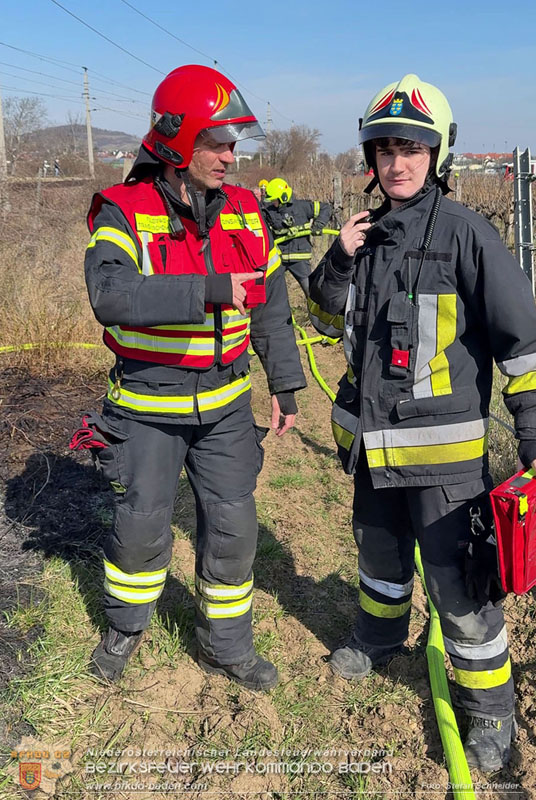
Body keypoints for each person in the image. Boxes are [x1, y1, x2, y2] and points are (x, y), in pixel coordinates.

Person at [308, 73, 536, 772]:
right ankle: (378, 640)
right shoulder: (363, 238)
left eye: (412, 148)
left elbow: (522, 344)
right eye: (385, 150)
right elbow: (321, 321)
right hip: (373, 454)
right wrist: (338, 260)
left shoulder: (467, 235)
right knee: (378, 561)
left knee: (461, 595)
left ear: (438, 155)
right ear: (371, 160)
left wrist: (532, 443)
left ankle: (491, 716)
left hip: (445, 468)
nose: (397, 162)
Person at [79, 64, 306, 690]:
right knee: (141, 526)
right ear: (178, 140)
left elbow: (272, 307)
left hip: (228, 407)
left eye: (235, 144)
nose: (231, 157)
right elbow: (112, 294)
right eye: (218, 142)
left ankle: (227, 645)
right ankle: (125, 628)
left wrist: (284, 385)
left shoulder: (245, 211)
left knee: (233, 527)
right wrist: (209, 289)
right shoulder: (122, 210)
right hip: (147, 406)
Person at [261, 178, 331, 297]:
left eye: (274, 200)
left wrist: (318, 225)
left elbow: (325, 208)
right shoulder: (269, 211)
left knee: (311, 294)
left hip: (299, 258)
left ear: (283, 197)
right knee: (270, 290)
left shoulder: (302, 207)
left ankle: (317, 314)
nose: (272, 202)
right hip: (279, 258)